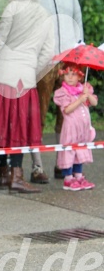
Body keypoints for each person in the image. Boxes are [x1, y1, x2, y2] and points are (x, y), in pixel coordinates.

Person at [0, 0, 54, 193]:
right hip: (25, 79)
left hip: (1, 75)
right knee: (20, 129)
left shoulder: (12, 8)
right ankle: (17, 175)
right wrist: (32, 69)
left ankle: (4, 174)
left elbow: (0, 40)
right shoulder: (44, 14)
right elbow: (48, 52)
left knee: (2, 126)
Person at [27, 0, 84, 181]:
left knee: (68, 115)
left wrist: (79, 47)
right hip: (43, 61)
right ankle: (37, 167)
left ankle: (64, 163)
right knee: (37, 113)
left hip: (70, 60)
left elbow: (77, 18)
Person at [53, 63, 97, 191]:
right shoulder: (63, 92)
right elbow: (66, 110)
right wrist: (79, 100)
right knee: (69, 151)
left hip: (83, 129)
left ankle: (78, 176)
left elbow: (94, 103)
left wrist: (87, 95)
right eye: (67, 74)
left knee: (80, 150)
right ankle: (68, 179)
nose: (70, 77)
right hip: (71, 128)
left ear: (80, 77)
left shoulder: (84, 89)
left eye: (73, 74)